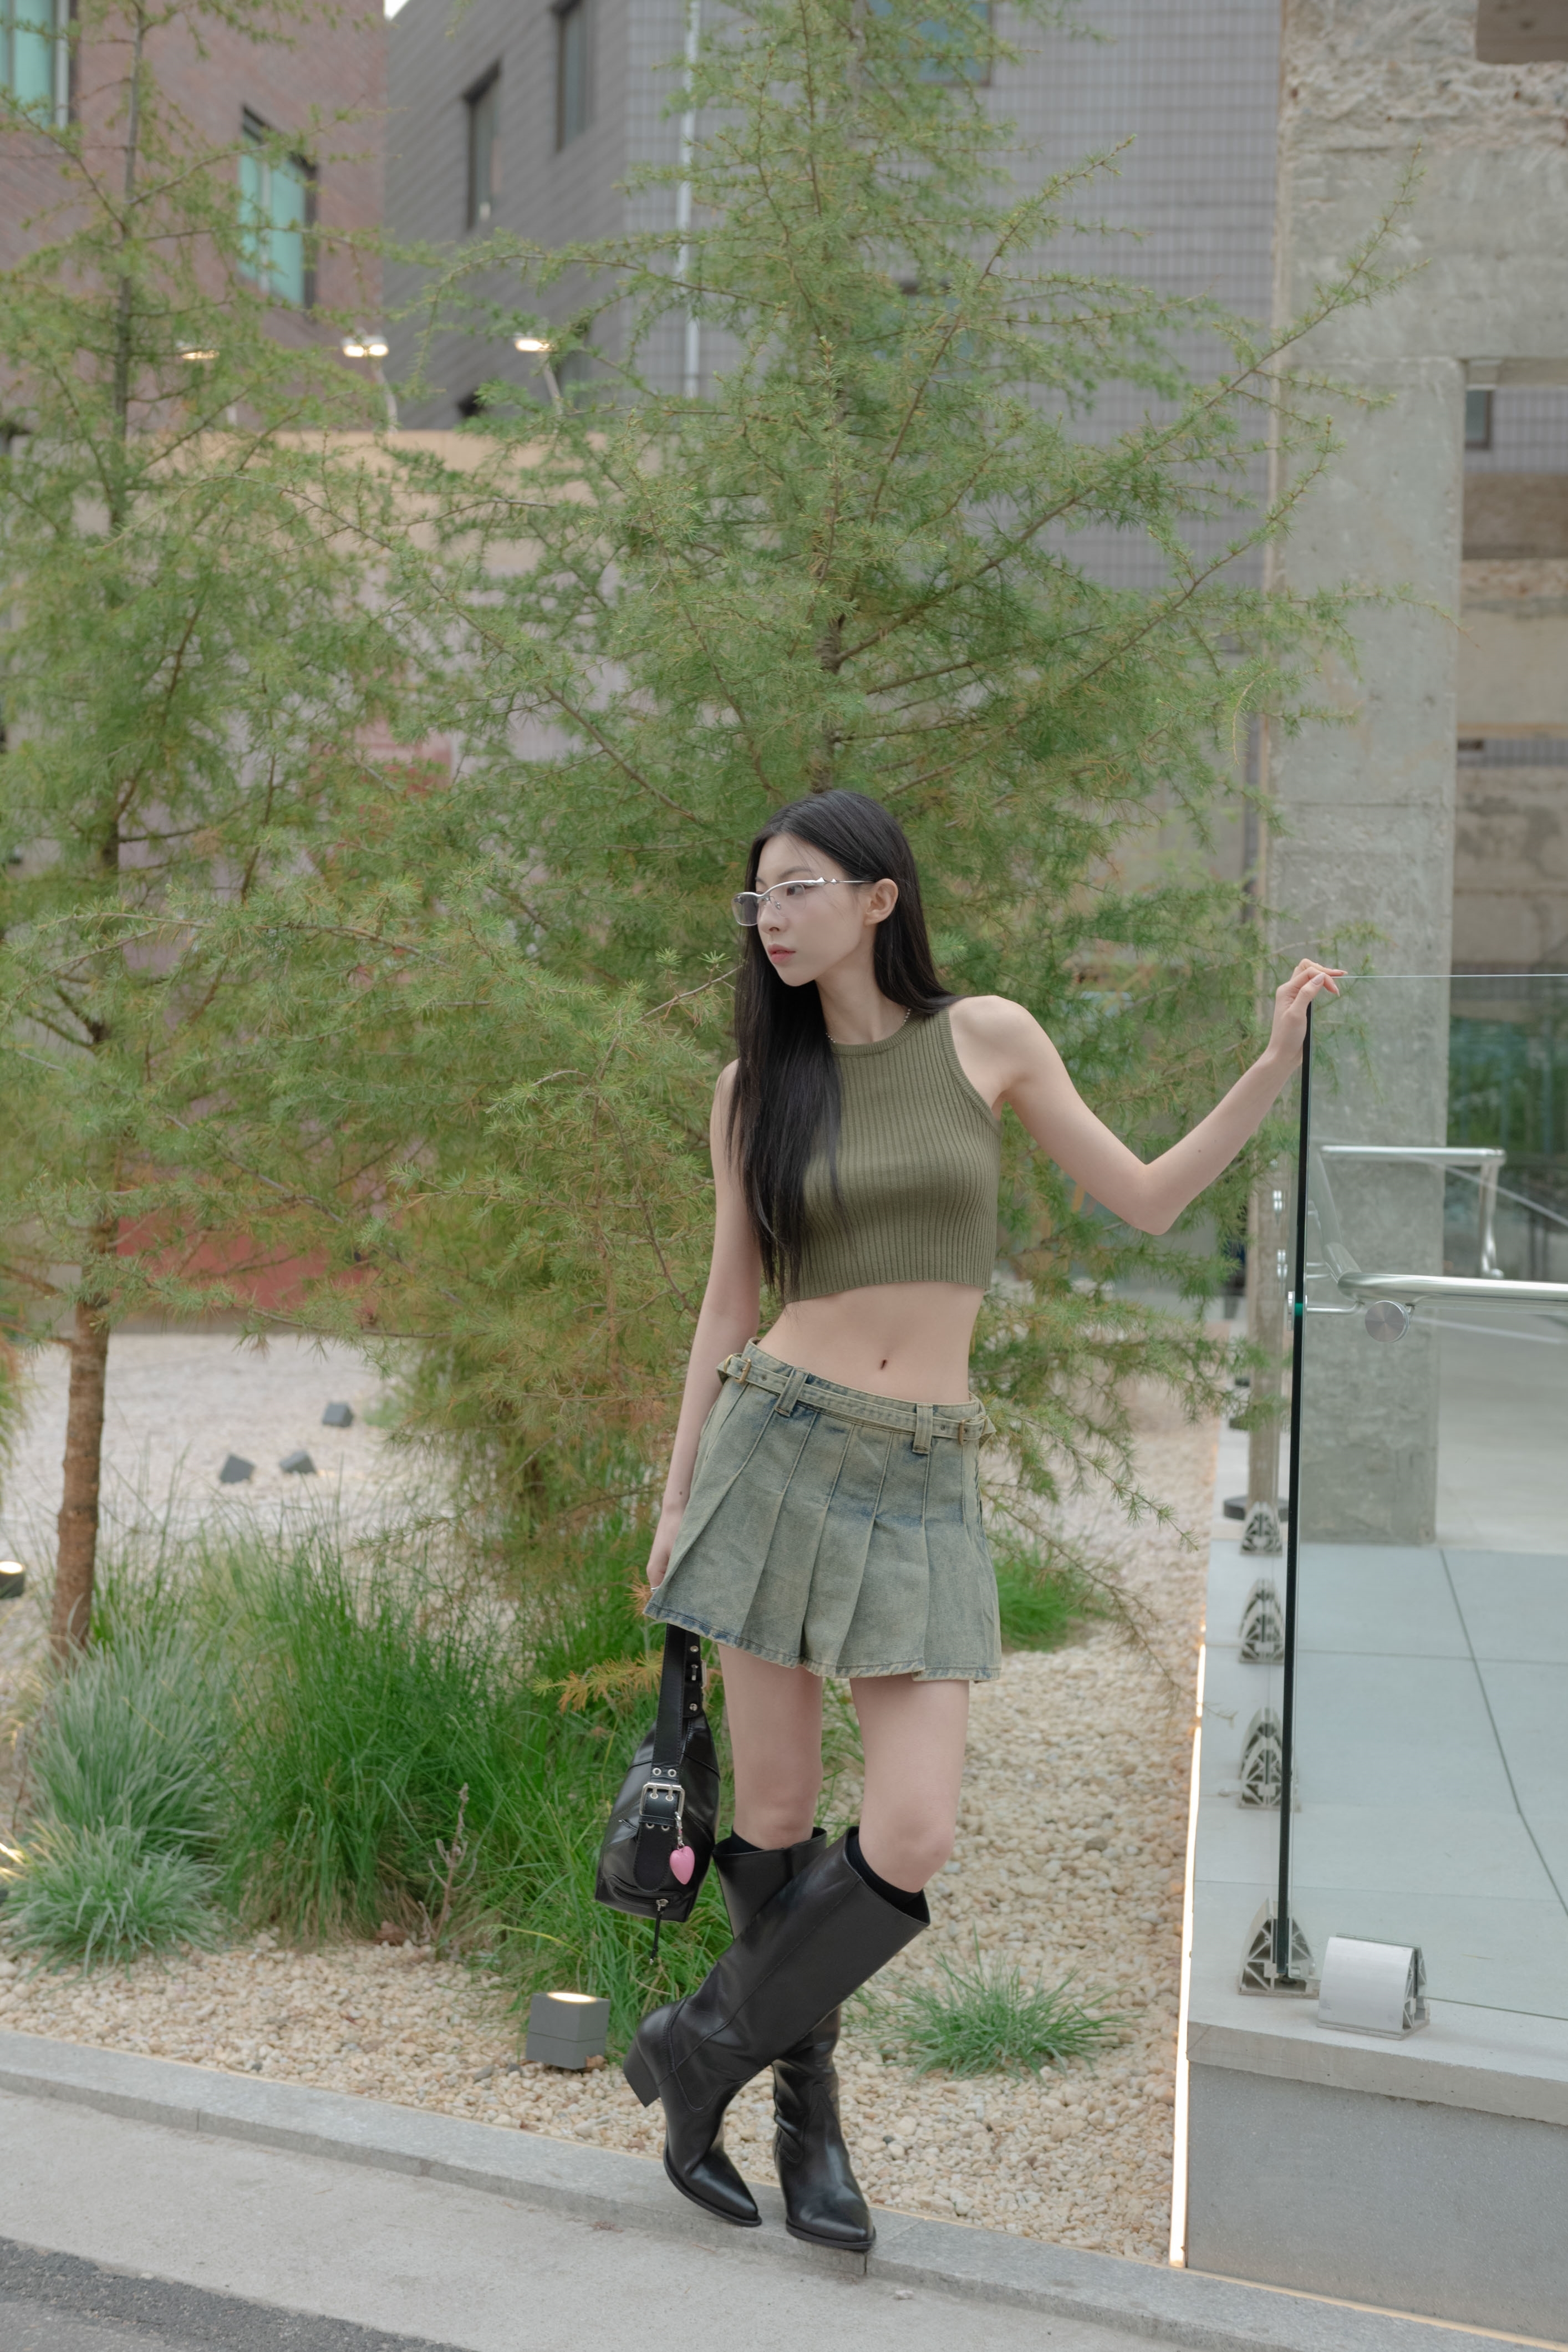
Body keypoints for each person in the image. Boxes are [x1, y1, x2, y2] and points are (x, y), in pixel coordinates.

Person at [623, 789, 1339, 2251]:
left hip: (921, 1475)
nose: (771, 917)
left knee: (914, 1826)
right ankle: (806, 2124)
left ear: (878, 896)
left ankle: (697, 2048)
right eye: (758, 897)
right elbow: (727, 1303)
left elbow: (1147, 1198)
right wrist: (679, 1492)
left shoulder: (986, 1039)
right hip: (775, 1451)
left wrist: (1272, 1066)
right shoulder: (754, 1088)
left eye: (800, 888)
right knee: (772, 1817)